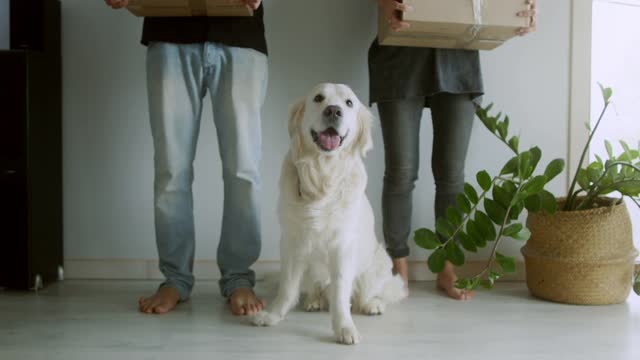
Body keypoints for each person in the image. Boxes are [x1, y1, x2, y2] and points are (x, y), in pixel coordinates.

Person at [104, 0, 268, 315]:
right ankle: (175, 278)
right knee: (171, 168)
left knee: (243, 170)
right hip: (169, 32)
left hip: (241, 33)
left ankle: (238, 278)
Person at [370, 0, 537, 300]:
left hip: (458, 61)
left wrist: (518, 10)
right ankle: (397, 268)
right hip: (398, 56)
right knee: (401, 172)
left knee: (451, 174)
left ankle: (447, 267)